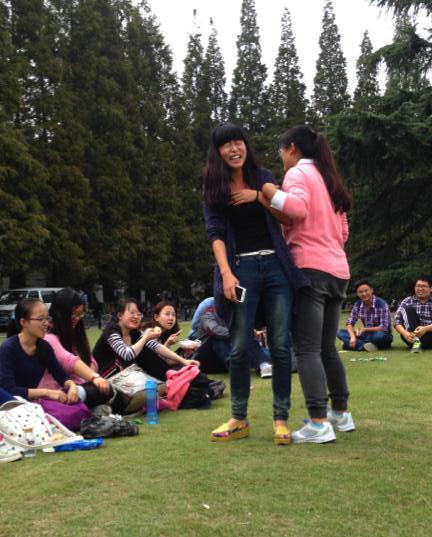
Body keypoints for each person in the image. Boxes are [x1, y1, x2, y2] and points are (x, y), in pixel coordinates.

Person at [203, 123, 309, 444]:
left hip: (276, 267)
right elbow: (215, 233)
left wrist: (259, 196)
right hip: (241, 268)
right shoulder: (214, 186)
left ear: (245, 145)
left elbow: (287, 218)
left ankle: (280, 420)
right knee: (238, 346)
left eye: (239, 142)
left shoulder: (262, 175)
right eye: (227, 144)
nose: (234, 149)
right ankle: (238, 418)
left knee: (280, 345)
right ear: (218, 151)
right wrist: (226, 273)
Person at [262, 125, 355, 444]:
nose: (281, 158)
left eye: (280, 151)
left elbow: (297, 209)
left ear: (292, 149)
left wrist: (267, 190)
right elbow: (343, 232)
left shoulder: (298, 173)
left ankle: (318, 421)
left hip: (311, 271)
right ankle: (341, 413)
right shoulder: (329, 178)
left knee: (306, 349)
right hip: (338, 271)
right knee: (327, 348)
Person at [93, 298, 198, 381]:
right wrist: (145, 338)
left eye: (139, 314)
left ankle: (170, 378)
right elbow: (126, 355)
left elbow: (156, 346)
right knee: (143, 348)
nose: (136, 317)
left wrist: (184, 361)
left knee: (147, 348)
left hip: (124, 375)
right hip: (104, 377)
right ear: (120, 315)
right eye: (132, 313)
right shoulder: (111, 331)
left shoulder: (133, 332)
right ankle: (170, 378)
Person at [42, 287, 113, 409]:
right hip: (58, 392)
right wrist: (94, 377)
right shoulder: (49, 339)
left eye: (80, 314)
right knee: (104, 390)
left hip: (81, 387)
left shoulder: (75, 336)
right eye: (73, 314)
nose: (77, 318)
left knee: (108, 389)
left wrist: (91, 377)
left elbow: (92, 363)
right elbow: (69, 360)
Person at [0, 298, 79, 404]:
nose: (46, 323)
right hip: (8, 406)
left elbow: (61, 375)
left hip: (29, 405)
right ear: (24, 322)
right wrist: (46, 392)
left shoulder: (44, 347)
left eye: (47, 318)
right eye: (41, 319)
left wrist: (72, 385)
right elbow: (8, 389)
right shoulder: (8, 349)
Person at [187, 297, 272, 377]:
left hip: (223, 360)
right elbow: (215, 330)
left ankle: (263, 365)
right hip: (206, 358)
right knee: (217, 337)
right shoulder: (208, 315)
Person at [336, 279, 393, 352]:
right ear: (357, 294)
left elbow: (384, 327)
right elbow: (349, 323)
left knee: (379, 336)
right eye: (360, 292)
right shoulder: (357, 305)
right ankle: (363, 346)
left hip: (382, 334)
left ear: (371, 290)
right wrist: (352, 337)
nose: (364, 294)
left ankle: (350, 344)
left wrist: (365, 329)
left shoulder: (382, 304)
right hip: (366, 334)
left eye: (366, 290)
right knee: (339, 332)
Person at [394, 276, 432, 352]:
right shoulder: (407, 301)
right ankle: (416, 343)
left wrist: (425, 329)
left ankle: (418, 344)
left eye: (424, 286)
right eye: (418, 286)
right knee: (408, 309)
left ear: (431, 289)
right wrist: (404, 333)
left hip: (430, 335)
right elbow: (397, 321)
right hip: (411, 336)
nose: (420, 289)